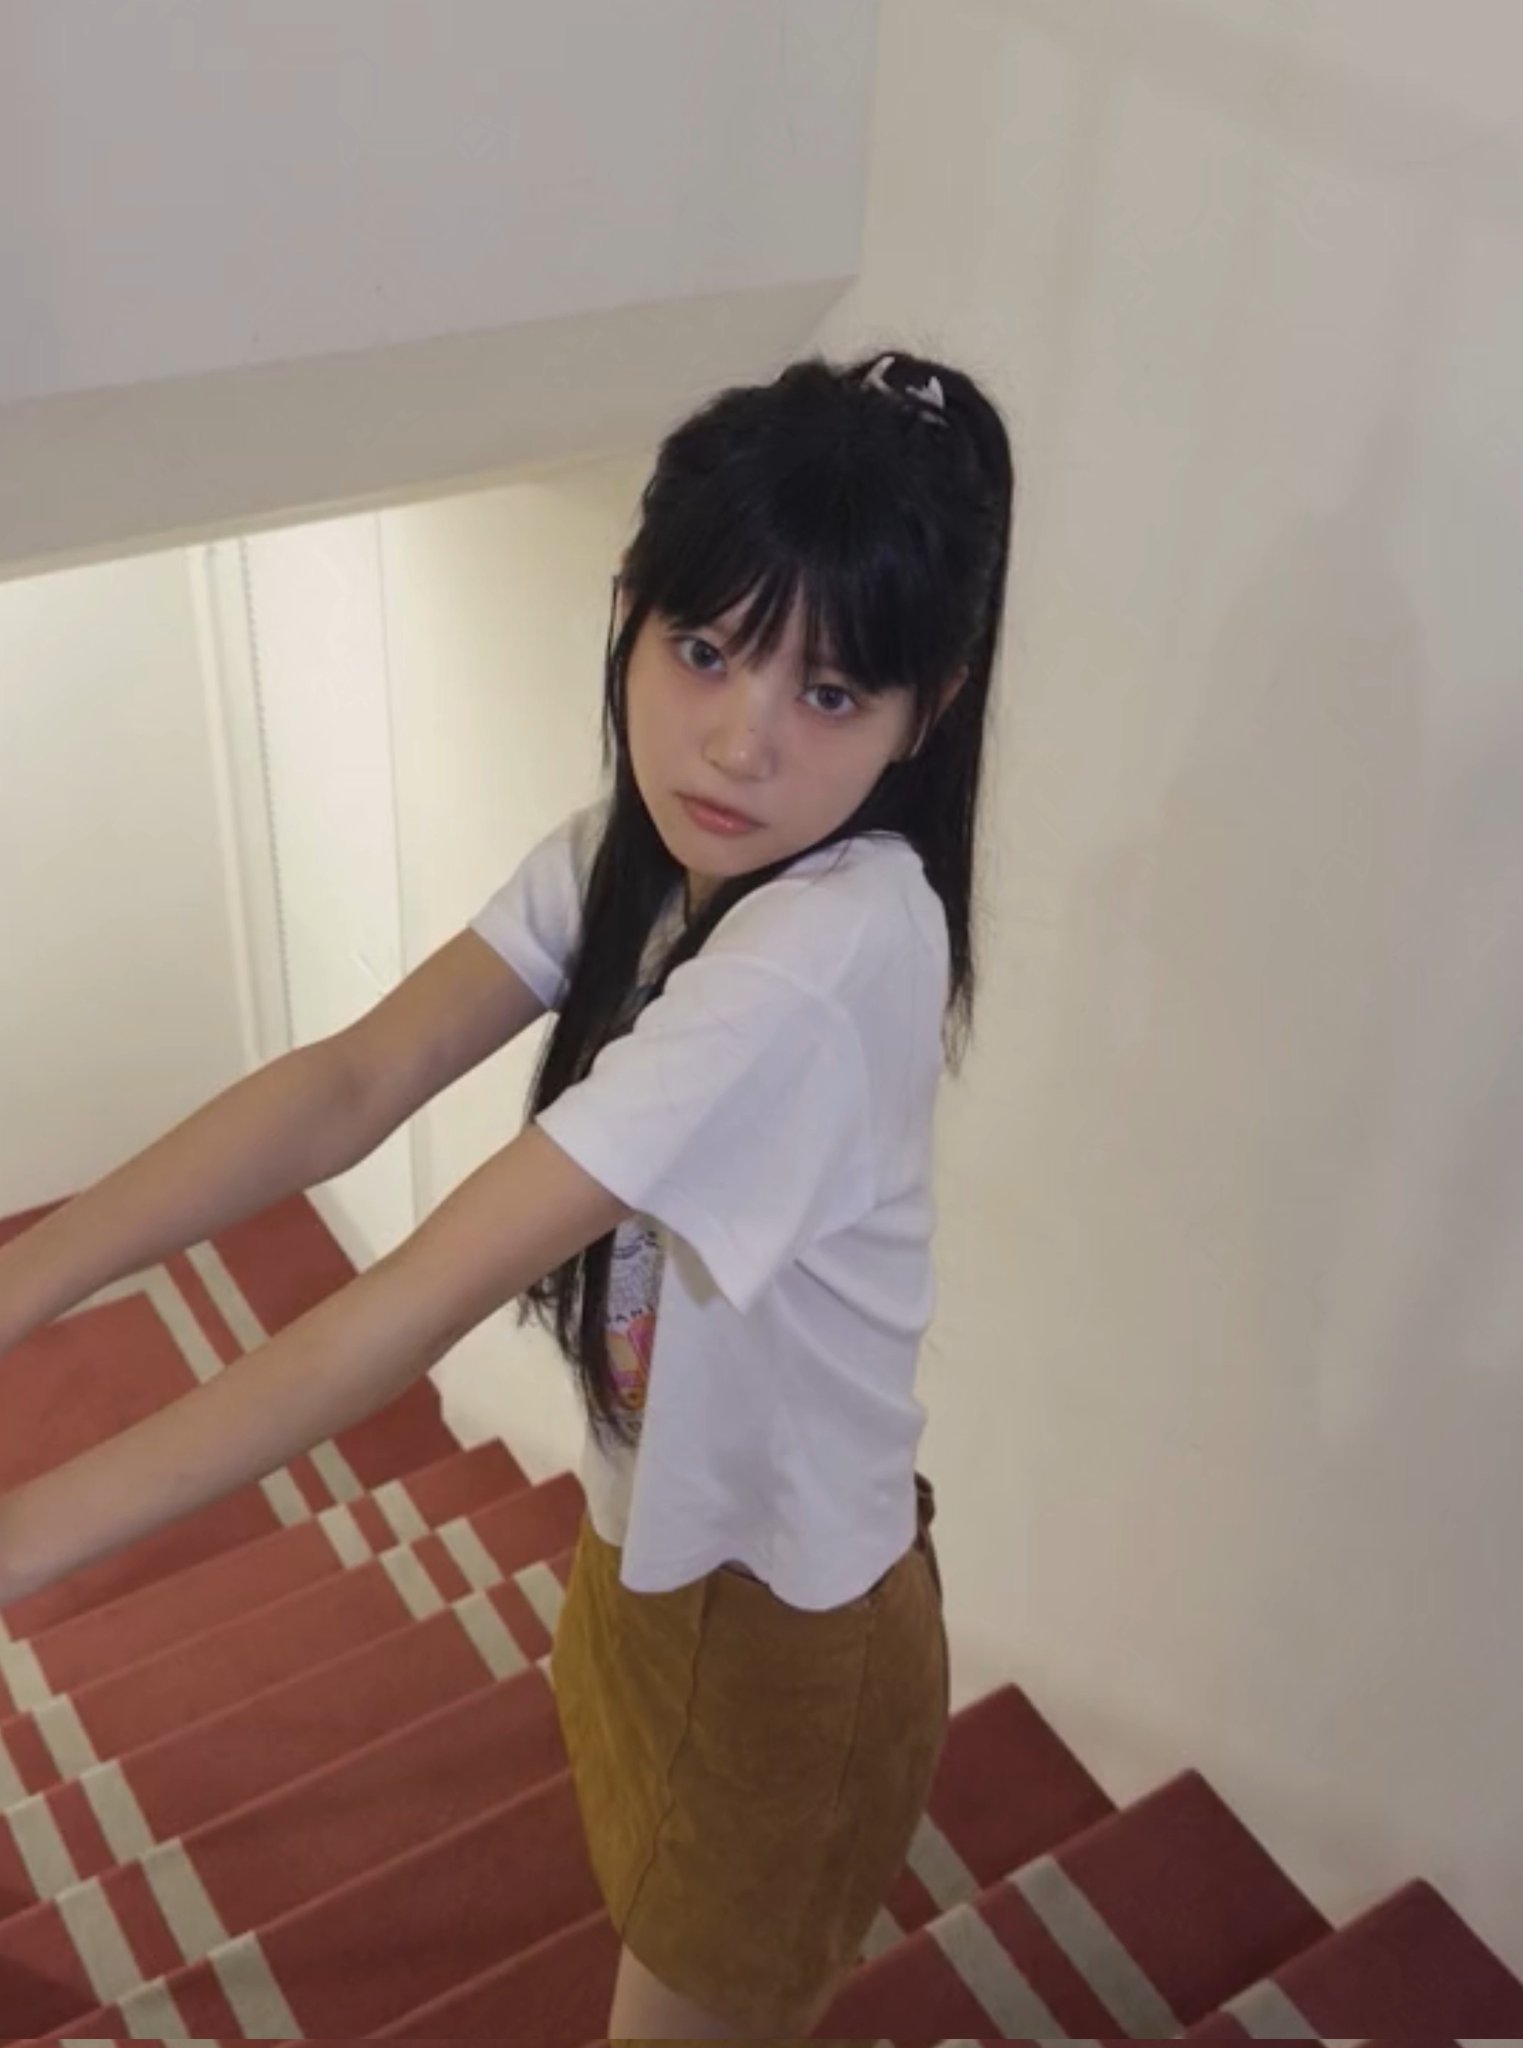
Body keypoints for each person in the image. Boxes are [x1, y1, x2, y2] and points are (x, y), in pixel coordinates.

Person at [0, 346, 1015, 2039]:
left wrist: (22, 1541)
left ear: (934, 708)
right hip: (650, 1553)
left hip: (786, 1641)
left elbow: (403, 1312)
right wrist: (19, 1280)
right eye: (705, 650)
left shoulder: (821, 957)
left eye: (832, 694)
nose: (741, 742)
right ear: (627, 609)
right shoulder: (641, 853)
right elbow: (348, 1084)